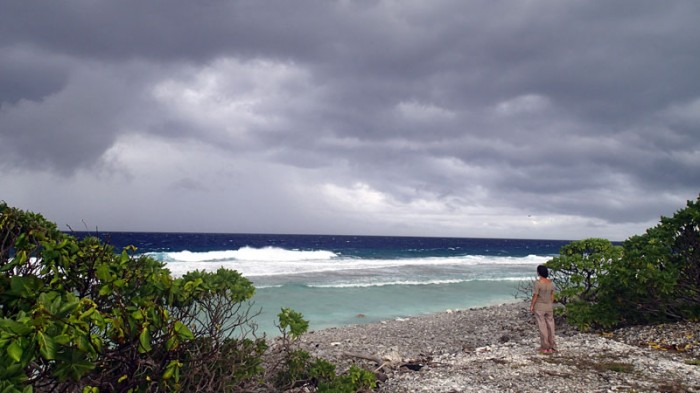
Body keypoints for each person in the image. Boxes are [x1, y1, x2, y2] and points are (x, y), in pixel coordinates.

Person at [530, 265, 556, 353]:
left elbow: (535, 295)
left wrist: (532, 305)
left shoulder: (538, 283)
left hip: (540, 306)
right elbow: (552, 295)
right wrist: (549, 303)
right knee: (551, 326)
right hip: (549, 306)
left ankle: (545, 346)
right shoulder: (551, 283)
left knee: (542, 326)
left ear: (539, 272)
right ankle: (552, 346)